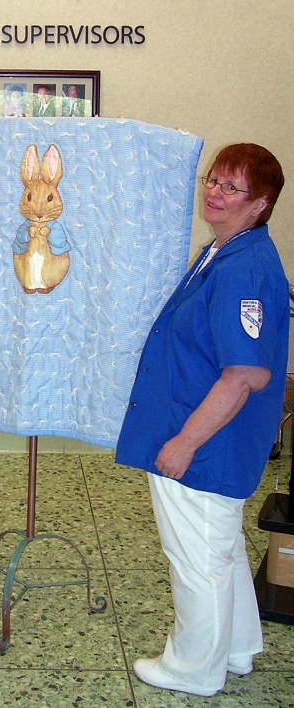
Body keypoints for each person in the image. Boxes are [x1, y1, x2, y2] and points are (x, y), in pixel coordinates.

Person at [115, 143, 289, 697]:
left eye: (230, 187)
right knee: (220, 548)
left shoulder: (243, 267)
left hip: (208, 442)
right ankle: (235, 649)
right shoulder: (224, 250)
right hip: (208, 435)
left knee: (197, 559)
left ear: (259, 203)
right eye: (213, 180)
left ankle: (193, 669)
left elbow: (245, 376)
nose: (214, 192)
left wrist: (185, 444)